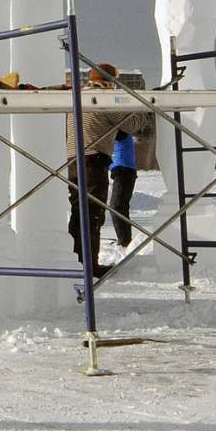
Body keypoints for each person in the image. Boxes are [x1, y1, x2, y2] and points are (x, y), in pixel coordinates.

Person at [65, 64, 149, 276]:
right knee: (92, 214)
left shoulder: (79, 96)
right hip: (93, 161)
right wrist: (140, 106)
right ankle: (89, 266)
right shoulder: (102, 99)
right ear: (111, 81)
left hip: (73, 161)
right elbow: (133, 125)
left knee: (79, 212)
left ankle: (78, 261)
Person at [108, 130, 138, 248]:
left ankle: (124, 241)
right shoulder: (120, 130)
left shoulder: (120, 130)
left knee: (117, 207)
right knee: (120, 206)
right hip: (122, 169)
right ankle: (124, 238)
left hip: (124, 170)